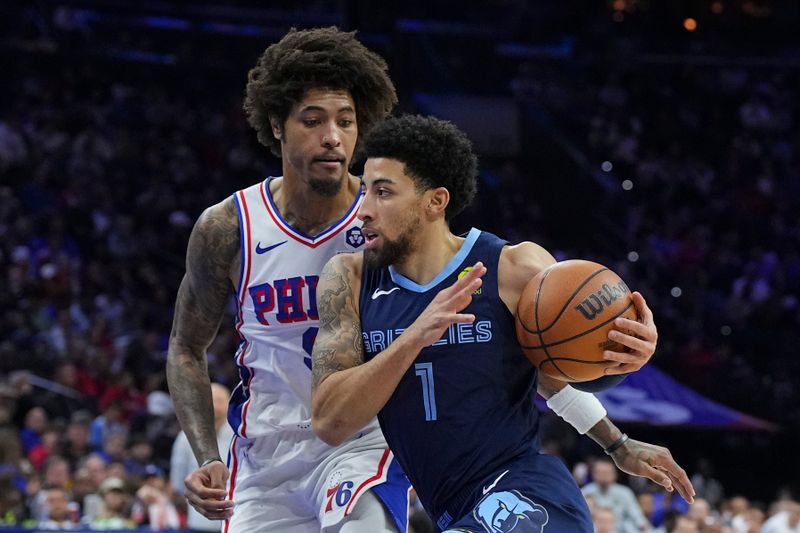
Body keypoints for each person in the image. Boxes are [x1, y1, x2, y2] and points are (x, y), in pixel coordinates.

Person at [310, 114, 695, 532]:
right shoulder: (348, 278)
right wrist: (414, 337)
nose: (363, 210)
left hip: (527, 493)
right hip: (452, 509)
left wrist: (627, 355)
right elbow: (331, 422)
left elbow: (557, 370)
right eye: (364, 190)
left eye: (382, 192)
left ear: (435, 201)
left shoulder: (511, 266)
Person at [165, 26, 407, 533]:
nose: (333, 137)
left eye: (346, 121)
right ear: (277, 125)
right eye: (313, 120)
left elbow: (475, 279)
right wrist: (207, 455)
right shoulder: (228, 227)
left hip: (361, 441)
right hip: (265, 455)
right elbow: (186, 349)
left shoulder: (387, 216)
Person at [170, 383, 234, 532]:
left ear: (229, 403)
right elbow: (178, 484)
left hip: (236, 522)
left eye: (220, 401)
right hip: (199, 522)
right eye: (211, 400)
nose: (215, 406)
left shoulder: (240, 435)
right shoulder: (185, 437)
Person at [582, 457, 652, 532]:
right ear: (593, 474)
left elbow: (637, 517)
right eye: (600, 472)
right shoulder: (584, 492)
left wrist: (645, 527)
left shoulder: (625, 492)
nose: (604, 476)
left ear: (615, 474)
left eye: (607, 472)